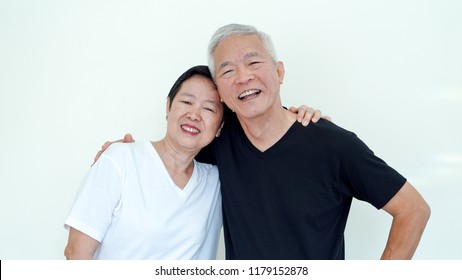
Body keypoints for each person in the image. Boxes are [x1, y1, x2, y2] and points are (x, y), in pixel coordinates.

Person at [96, 24, 431, 260]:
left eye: (254, 62)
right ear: (222, 94)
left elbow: (413, 210)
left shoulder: (333, 145)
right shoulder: (218, 144)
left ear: (279, 72)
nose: (243, 77)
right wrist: (127, 153)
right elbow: (171, 156)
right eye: (227, 71)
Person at [64, 65, 226, 259]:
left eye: (208, 108)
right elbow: (76, 253)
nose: (194, 115)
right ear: (168, 107)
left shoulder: (217, 182)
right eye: (186, 102)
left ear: (220, 127)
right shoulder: (120, 160)